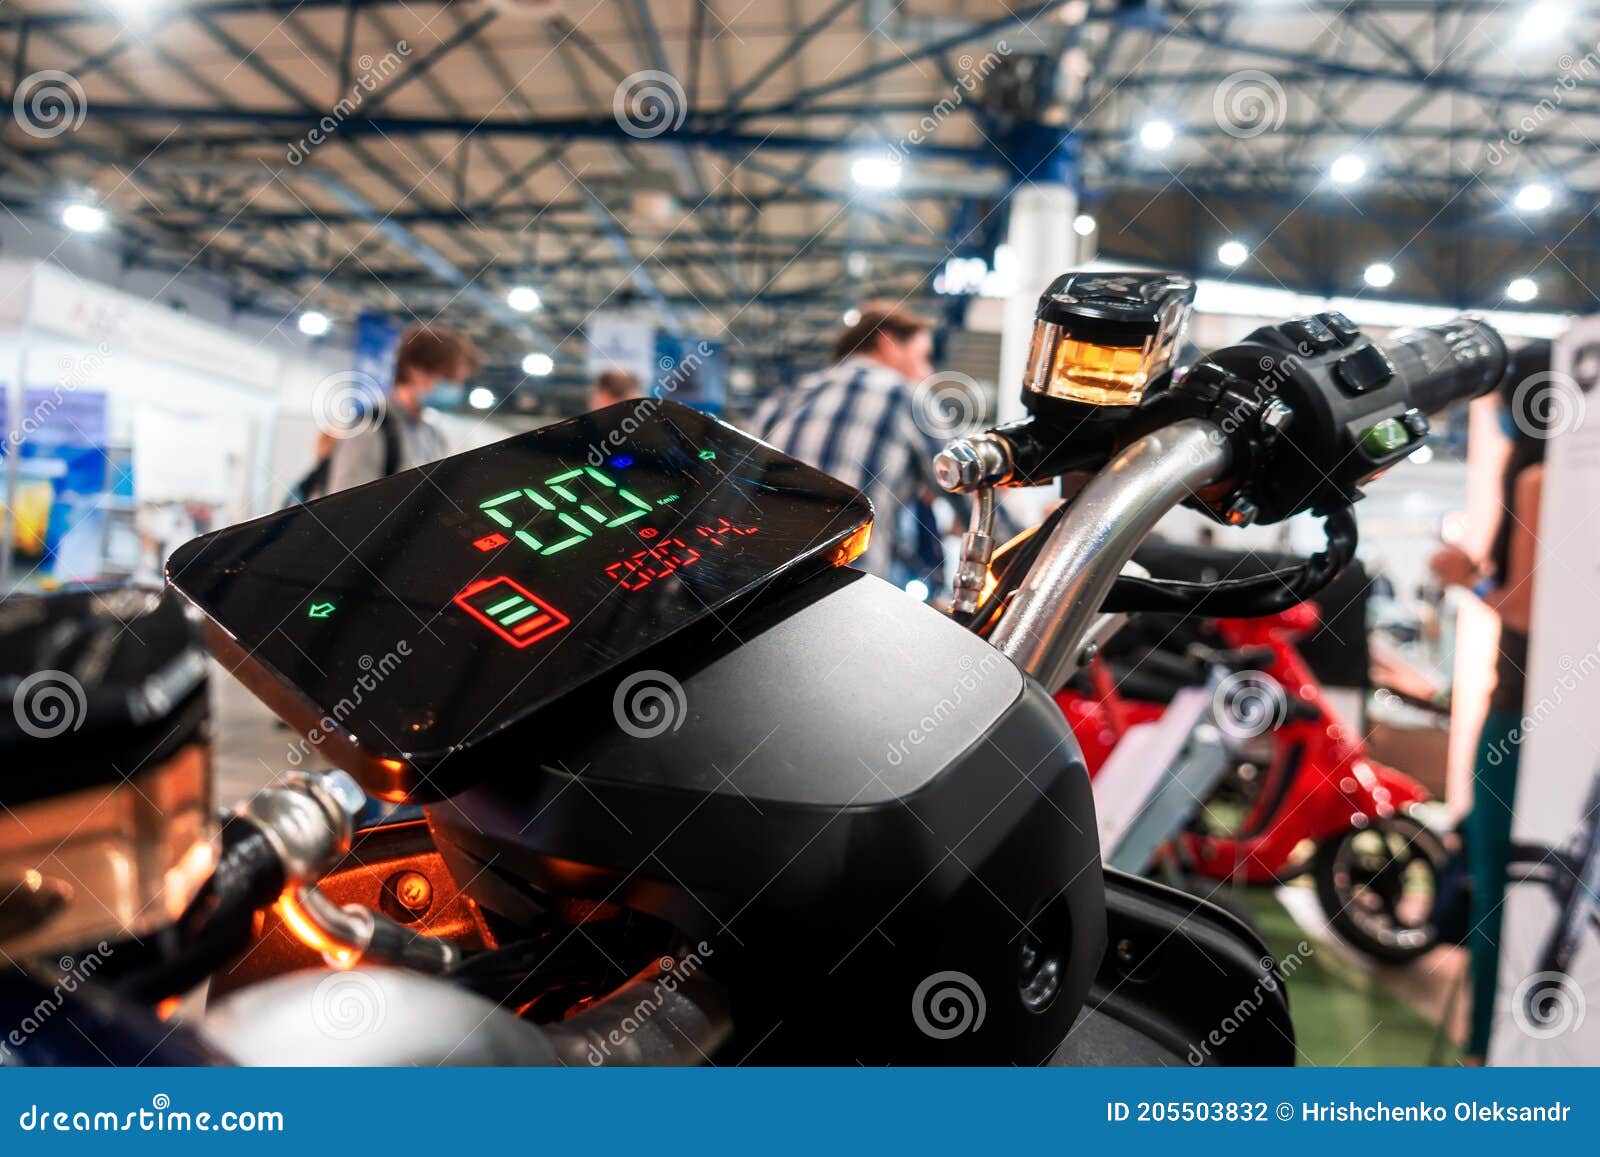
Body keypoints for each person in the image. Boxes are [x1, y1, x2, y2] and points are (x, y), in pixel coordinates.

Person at [1428, 340, 1551, 1064]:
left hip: (1519, 716)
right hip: (1557, 724)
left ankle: (1488, 1057)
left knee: (1498, 892)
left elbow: (1526, 611)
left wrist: (1465, 578)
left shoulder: (1536, 478)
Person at [749, 302, 945, 581]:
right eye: (923, 356)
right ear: (887, 343)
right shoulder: (905, 397)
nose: (927, 373)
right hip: (849, 597)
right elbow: (969, 487)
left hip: (762, 595)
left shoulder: (781, 401)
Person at [324, 323, 482, 493]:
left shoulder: (433, 435)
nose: (455, 389)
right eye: (449, 379)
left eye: (459, 382)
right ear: (415, 369)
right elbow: (346, 508)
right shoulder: (370, 429)